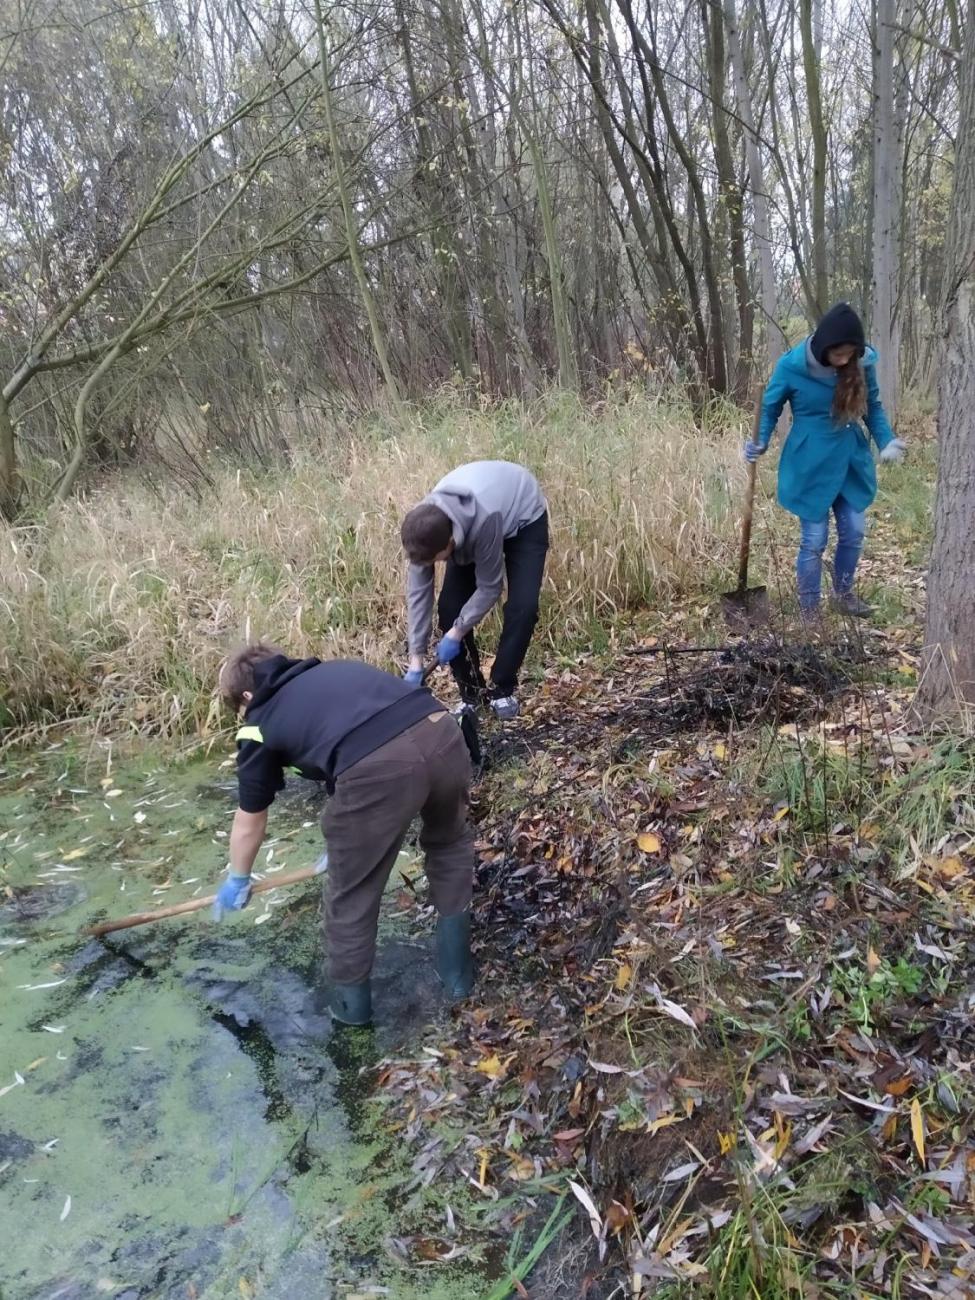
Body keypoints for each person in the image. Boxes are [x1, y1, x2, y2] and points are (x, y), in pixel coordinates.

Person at [214, 642, 475, 1026]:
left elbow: (250, 818)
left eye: (239, 708)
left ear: (248, 696)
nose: (243, 716)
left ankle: (350, 1020)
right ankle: (458, 980)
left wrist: (238, 877)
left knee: (350, 899)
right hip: (442, 732)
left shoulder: (257, 724)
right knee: (450, 845)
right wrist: (347, 841)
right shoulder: (334, 670)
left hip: (381, 767)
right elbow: (351, 737)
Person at [744, 302, 905, 618]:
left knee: (855, 530)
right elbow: (770, 407)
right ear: (823, 347)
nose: (844, 360)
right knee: (815, 538)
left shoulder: (862, 363)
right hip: (810, 462)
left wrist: (885, 440)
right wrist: (759, 441)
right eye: (838, 354)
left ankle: (843, 594)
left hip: (849, 460)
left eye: (849, 354)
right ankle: (809, 611)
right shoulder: (792, 366)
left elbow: (872, 405)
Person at [401, 461, 549, 719]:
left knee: (522, 608)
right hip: (471, 518)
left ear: (450, 544)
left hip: (521, 516)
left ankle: (501, 688)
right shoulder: (421, 531)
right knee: (449, 609)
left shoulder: (484, 520)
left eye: (438, 560)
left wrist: (457, 633)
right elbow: (418, 595)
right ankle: (472, 694)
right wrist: (416, 657)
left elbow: (490, 587)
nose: (435, 566)